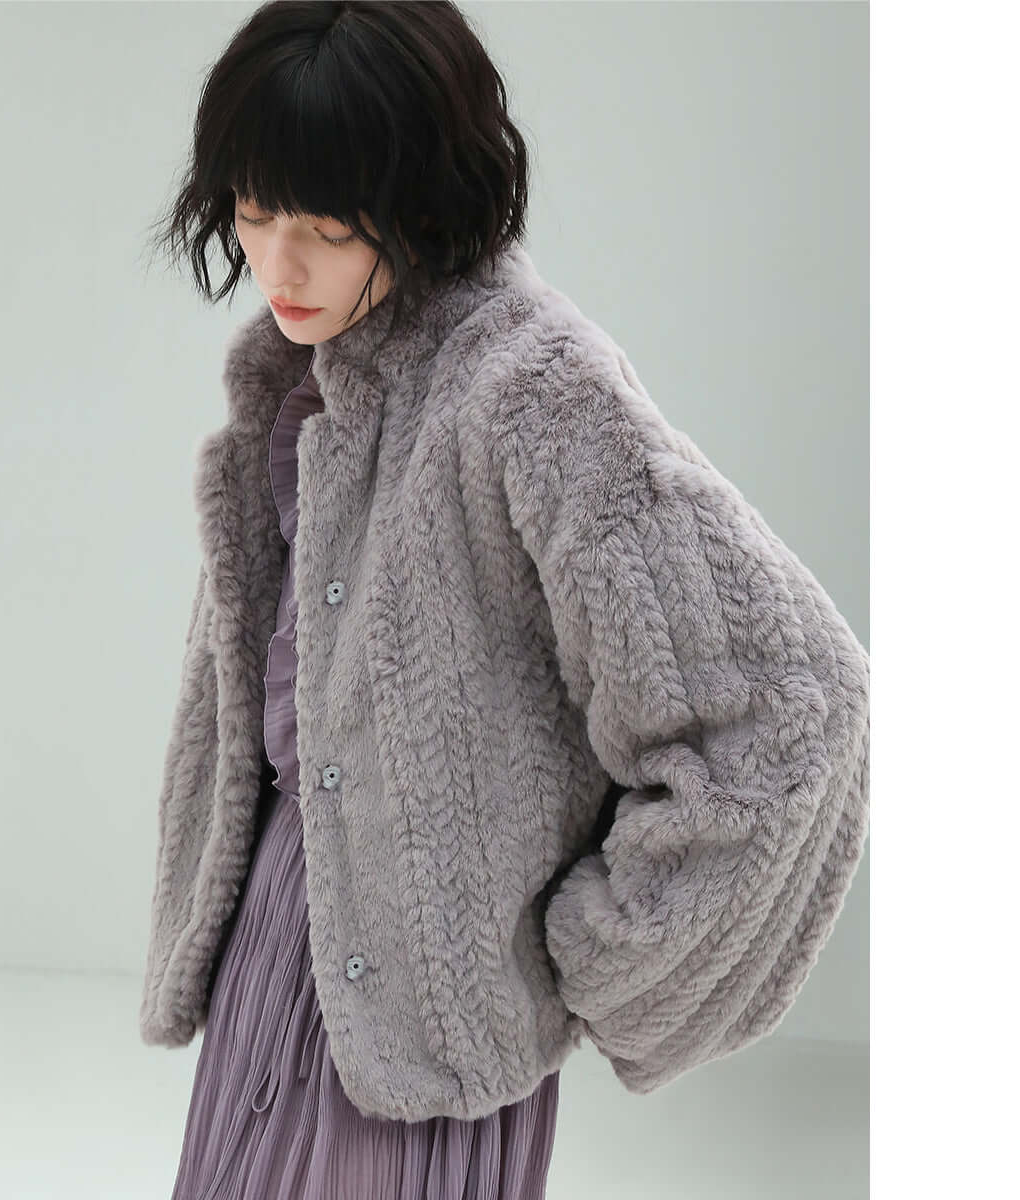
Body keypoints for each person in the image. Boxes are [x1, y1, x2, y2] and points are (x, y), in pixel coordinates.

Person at [139, 4, 870, 1199]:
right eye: (255, 212)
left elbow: (794, 703)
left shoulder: (533, 389)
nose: (277, 267)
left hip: (422, 1033)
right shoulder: (308, 379)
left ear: (423, 197)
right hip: (272, 968)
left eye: (324, 225)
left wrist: (593, 958)